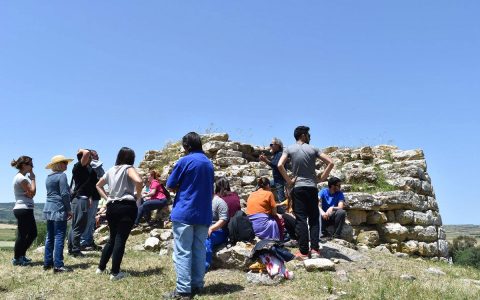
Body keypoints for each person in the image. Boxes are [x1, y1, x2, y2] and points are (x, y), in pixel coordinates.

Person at [165, 132, 214, 300]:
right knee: (199, 249)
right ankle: (197, 285)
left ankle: (183, 290)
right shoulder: (208, 163)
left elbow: (170, 185)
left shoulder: (185, 161)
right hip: (203, 213)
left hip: (185, 211)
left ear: (187, 146)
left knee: (183, 251)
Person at [278, 125, 334, 260]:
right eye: (308, 134)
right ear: (303, 135)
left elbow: (280, 165)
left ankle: (303, 252)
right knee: (314, 219)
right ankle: (315, 249)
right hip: (312, 187)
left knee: (301, 219)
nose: (310, 137)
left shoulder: (289, 149)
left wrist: (289, 181)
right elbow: (330, 162)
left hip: (298, 188)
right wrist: (322, 178)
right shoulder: (313, 149)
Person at [96, 147, 143, 281]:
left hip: (112, 206)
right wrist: (137, 195)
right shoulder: (128, 168)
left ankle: (101, 267)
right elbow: (139, 181)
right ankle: (115, 273)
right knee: (120, 239)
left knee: (112, 238)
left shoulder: (111, 170)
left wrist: (107, 198)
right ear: (131, 158)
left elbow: (98, 185)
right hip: (126, 206)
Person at [43, 155, 74, 272]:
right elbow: (64, 194)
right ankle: (58, 265)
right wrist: (69, 209)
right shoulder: (62, 176)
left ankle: (47, 263)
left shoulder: (48, 177)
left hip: (48, 208)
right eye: (64, 163)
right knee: (59, 236)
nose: (66, 165)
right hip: (59, 208)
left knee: (49, 236)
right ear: (59, 164)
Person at [204, 177, 238, 271]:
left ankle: (204, 266)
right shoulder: (203, 201)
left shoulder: (219, 202)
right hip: (204, 227)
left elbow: (223, 219)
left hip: (219, 230)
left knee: (207, 239)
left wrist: (211, 228)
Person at [68, 149, 96, 257]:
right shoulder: (78, 167)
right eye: (89, 157)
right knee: (79, 225)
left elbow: (89, 185)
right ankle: (75, 250)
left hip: (81, 198)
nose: (91, 158)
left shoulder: (88, 169)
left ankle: (72, 249)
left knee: (75, 225)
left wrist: (89, 197)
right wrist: (81, 150)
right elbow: (86, 153)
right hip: (80, 199)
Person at [11, 156, 37, 266]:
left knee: (32, 233)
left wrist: (30, 192)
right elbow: (32, 193)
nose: (32, 166)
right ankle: (17, 258)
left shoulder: (20, 177)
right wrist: (33, 178)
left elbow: (30, 193)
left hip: (25, 209)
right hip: (23, 209)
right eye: (31, 164)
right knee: (23, 235)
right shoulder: (21, 178)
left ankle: (21, 255)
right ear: (24, 165)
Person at [80, 150, 104, 250]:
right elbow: (102, 176)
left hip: (94, 196)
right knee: (88, 220)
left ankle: (88, 240)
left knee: (91, 220)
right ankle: (84, 242)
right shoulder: (91, 166)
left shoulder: (92, 166)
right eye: (95, 155)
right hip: (91, 196)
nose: (98, 157)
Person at [259, 137, 286, 212]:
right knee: (261, 185)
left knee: (281, 199)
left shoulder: (280, 154)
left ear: (278, 145)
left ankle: (284, 215)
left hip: (280, 180)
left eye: (272, 144)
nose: (270, 146)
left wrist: (265, 160)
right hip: (277, 180)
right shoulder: (276, 154)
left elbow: (275, 165)